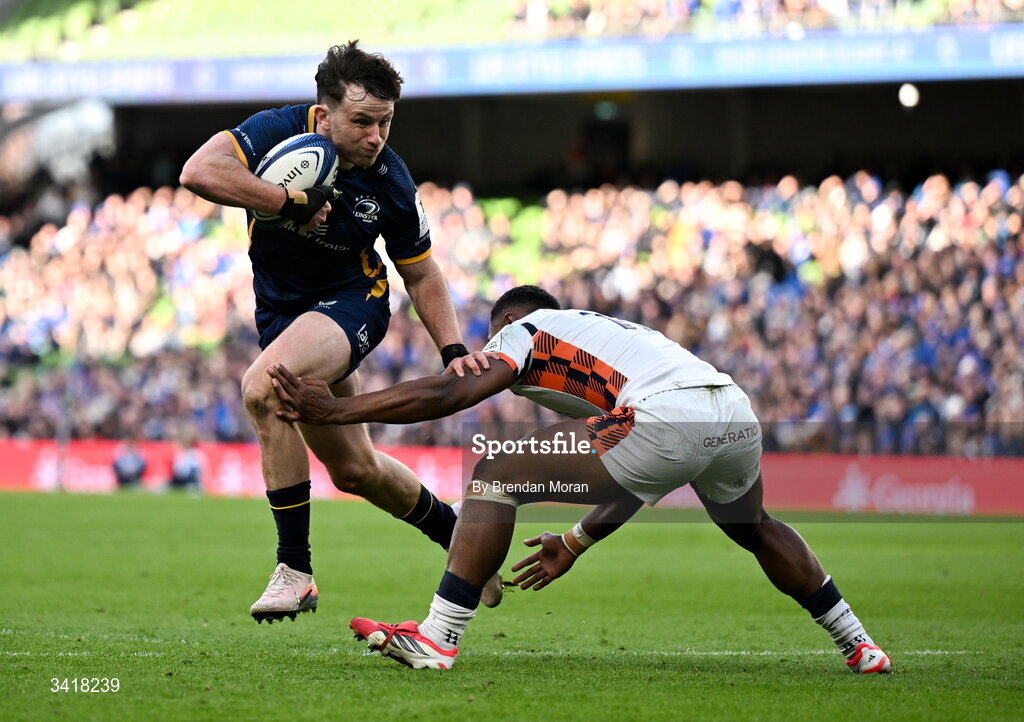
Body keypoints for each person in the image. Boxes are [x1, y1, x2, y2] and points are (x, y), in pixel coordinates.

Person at [267, 285, 892, 673]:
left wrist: (339, 409)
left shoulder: (526, 330)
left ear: (508, 322)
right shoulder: (610, 335)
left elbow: (453, 391)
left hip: (663, 414)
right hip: (730, 407)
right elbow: (639, 473)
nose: (492, 351)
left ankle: (439, 637)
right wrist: (574, 541)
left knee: (495, 473)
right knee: (753, 526)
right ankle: (860, 644)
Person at [179, 40, 497, 623]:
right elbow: (198, 172)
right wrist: (287, 201)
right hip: (282, 314)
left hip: (355, 302)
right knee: (354, 470)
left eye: (386, 122)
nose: (376, 136)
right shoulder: (276, 130)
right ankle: (455, 530)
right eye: (362, 121)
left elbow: (422, 273)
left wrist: (452, 350)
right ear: (323, 116)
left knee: (263, 387)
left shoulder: (393, 182)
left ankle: (294, 569)